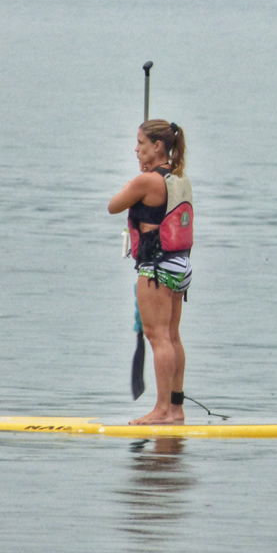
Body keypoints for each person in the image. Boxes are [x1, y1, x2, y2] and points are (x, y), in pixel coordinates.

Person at [108, 119, 193, 425]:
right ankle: (176, 408)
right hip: (180, 265)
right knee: (172, 336)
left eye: (141, 143)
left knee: (158, 338)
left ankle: (161, 410)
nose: (136, 149)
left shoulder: (146, 182)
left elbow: (113, 206)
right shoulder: (177, 178)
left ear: (157, 146)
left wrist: (135, 179)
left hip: (156, 268)